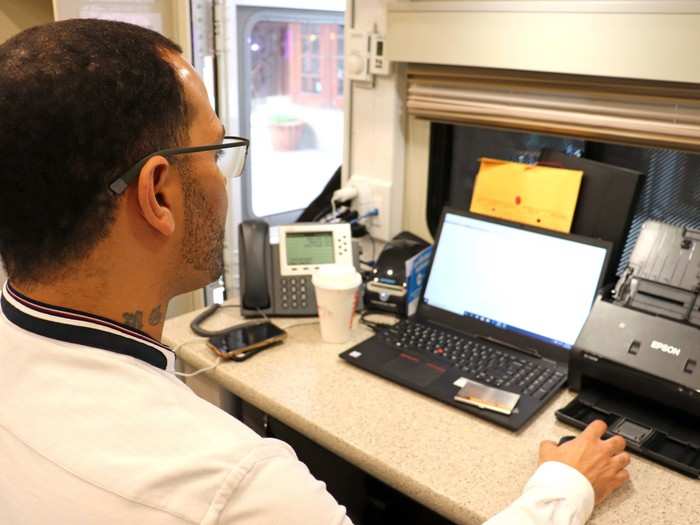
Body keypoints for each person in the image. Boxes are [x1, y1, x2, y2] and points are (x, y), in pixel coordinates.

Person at [0, 19, 629, 524]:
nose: (223, 180)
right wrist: (564, 485)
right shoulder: (236, 486)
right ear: (158, 195)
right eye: (217, 152)